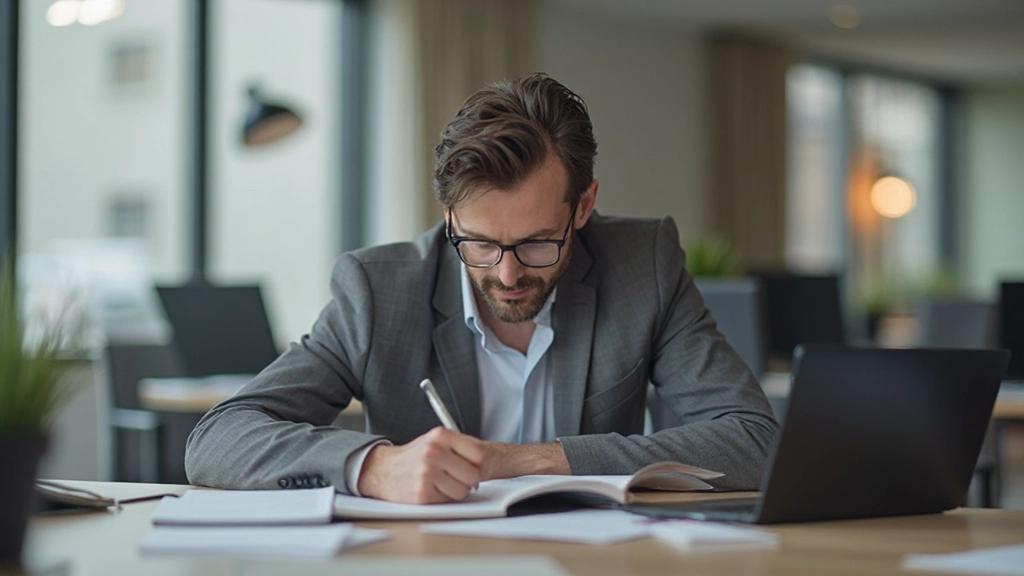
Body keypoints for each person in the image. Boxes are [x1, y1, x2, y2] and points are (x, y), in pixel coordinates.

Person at [185, 73, 777, 504]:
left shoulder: (641, 266)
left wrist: (535, 461)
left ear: (584, 206)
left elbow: (755, 440)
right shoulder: (377, 290)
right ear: (449, 217)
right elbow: (217, 440)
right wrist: (373, 468)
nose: (507, 273)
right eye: (479, 244)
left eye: (538, 242)